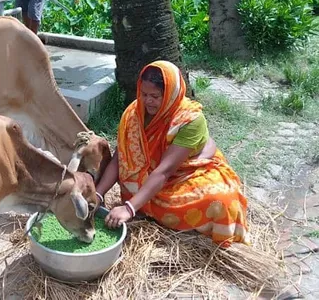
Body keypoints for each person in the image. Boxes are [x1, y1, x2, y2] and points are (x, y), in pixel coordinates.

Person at [95, 60, 251, 248]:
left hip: (184, 174)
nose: (147, 101)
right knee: (142, 193)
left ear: (171, 94)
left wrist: (129, 207)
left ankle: (147, 206)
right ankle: (147, 204)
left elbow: (165, 171)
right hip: (150, 179)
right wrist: (98, 194)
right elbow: (120, 158)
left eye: (155, 96)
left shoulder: (189, 120)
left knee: (221, 201)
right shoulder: (133, 115)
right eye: (144, 94)